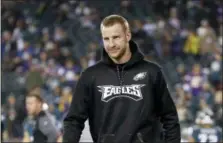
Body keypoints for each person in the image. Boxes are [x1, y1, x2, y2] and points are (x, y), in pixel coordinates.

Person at [63, 14, 181, 143]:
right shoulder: (91, 75)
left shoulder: (151, 72)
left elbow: (170, 118)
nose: (111, 44)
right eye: (106, 39)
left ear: (128, 36)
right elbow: (74, 120)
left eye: (116, 37)